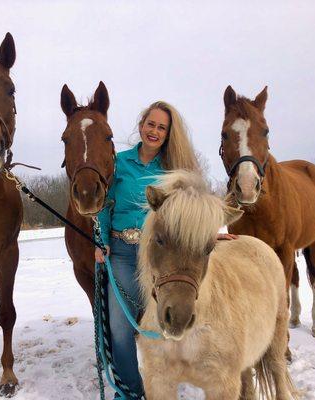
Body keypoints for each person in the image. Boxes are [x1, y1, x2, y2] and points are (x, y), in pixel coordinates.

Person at [95, 101, 235, 399]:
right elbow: (105, 205)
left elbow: (194, 212)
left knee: (162, 321)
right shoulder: (118, 162)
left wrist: (211, 236)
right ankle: (130, 391)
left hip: (163, 256)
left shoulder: (173, 171)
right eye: (151, 124)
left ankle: (163, 377)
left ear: (168, 133)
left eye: (162, 127)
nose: (154, 131)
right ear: (141, 125)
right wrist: (102, 239)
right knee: (120, 328)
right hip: (121, 250)